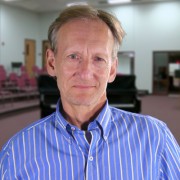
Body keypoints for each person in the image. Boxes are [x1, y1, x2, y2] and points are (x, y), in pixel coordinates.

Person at [0, 5, 179, 180]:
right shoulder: (15, 154)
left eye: (99, 58)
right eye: (73, 56)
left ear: (112, 69)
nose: (85, 73)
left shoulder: (156, 138)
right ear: (52, 63)